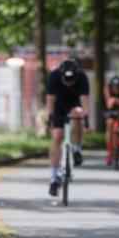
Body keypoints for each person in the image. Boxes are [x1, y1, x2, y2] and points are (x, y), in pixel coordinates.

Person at [46, 57, 89, 197]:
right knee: (57, 136)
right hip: (59, 104)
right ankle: (53, 177)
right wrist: (50, 120)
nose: (69, 83)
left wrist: (86, 120)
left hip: (74, 102)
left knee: (78, 113)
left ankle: (77, 148)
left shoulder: (82, 77)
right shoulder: (53, 77)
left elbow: (85, 102)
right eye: (67, 80)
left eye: (72, 80)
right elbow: (50, 102)